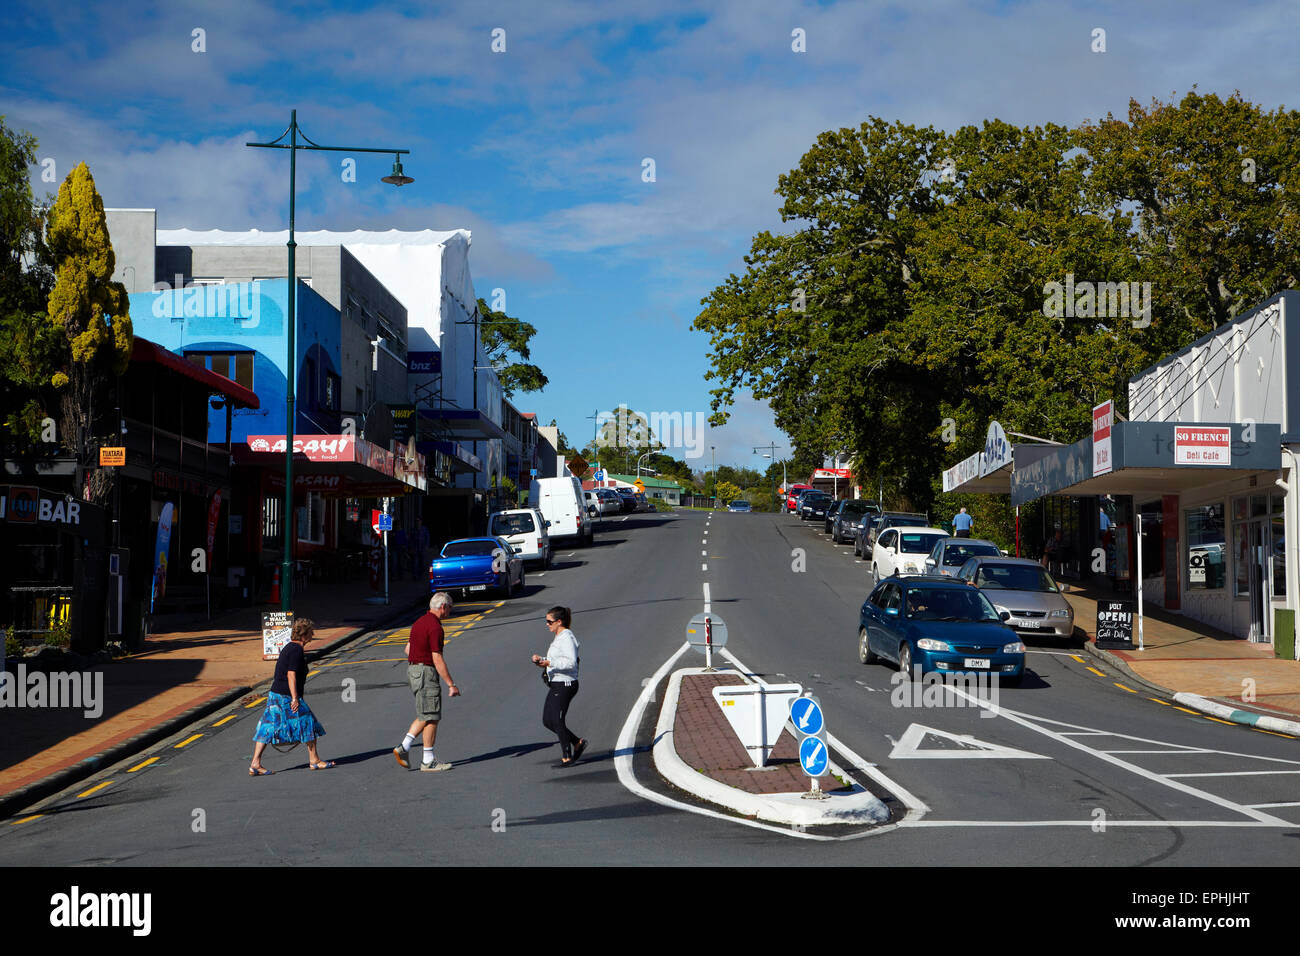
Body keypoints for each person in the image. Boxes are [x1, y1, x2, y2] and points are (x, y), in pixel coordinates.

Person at [249, 617, 333, 774]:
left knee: (268, 726)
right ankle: (314, 760)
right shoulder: (296, 650)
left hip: (276, 694)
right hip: (286, 695)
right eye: (311, 632)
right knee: (307, 722)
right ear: (304, 634)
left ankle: (255, 763)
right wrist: (295, 698)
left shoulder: (289, 647)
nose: (313, 635)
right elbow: (291, 674)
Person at [394, 592, 460, 772]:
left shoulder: (419, 622)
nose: (450, 612)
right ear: (443, 607)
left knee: (425, 713)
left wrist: (418, 662)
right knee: (432, 715)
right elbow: (437, 658)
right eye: (450, 608)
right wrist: (451, 684)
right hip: (426, 672)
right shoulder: (435, 627)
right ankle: (427, 760)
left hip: (413, 670)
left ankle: (405, 747)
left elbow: (408, 649)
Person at [532, 606, 586, 768]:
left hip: (566, 684)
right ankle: (577, 742)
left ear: (559, 622)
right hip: (556, 683)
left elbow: (570, 662)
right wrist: (542, 660)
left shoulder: (567, 638)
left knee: (557, 719)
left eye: (549, 622)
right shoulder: (559, 637)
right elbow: (557, 660)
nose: (547, 624)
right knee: (547, 721)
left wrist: (549, 662)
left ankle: (567, 757)